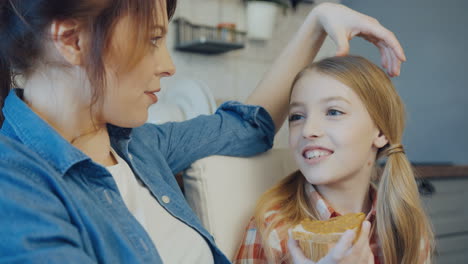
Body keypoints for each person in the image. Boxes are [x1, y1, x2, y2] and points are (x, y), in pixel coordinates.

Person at [0, 0, 405, 263]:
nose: (167, 65)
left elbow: (250, 125)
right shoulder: (15, 190)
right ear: (71, 40)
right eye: (153, 39)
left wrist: (317, 20)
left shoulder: (140, 145)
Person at [233, 55, 434, 264]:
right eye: (297, 116)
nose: (308, 130)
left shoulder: (406, 227)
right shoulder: (274, 229)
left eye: (333, 112)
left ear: (381, 131)